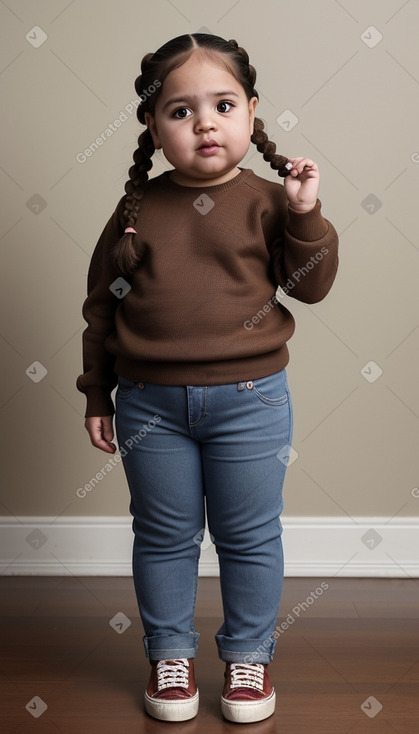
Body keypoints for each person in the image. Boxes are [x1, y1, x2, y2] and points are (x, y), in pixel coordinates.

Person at [76, 32, 339, 724]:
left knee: (249, 535)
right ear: (153, 127)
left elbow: (308, 289)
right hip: (148, 406)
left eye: (222, 105)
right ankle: (170, 653)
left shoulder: (268, 201)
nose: (204, 124)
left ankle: (248, 656)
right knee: (161, 536)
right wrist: (95, 393)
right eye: (180, 111)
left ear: (251, 112)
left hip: (251, 404)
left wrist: (306, 214)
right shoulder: (137, 212)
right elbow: (102, 307)